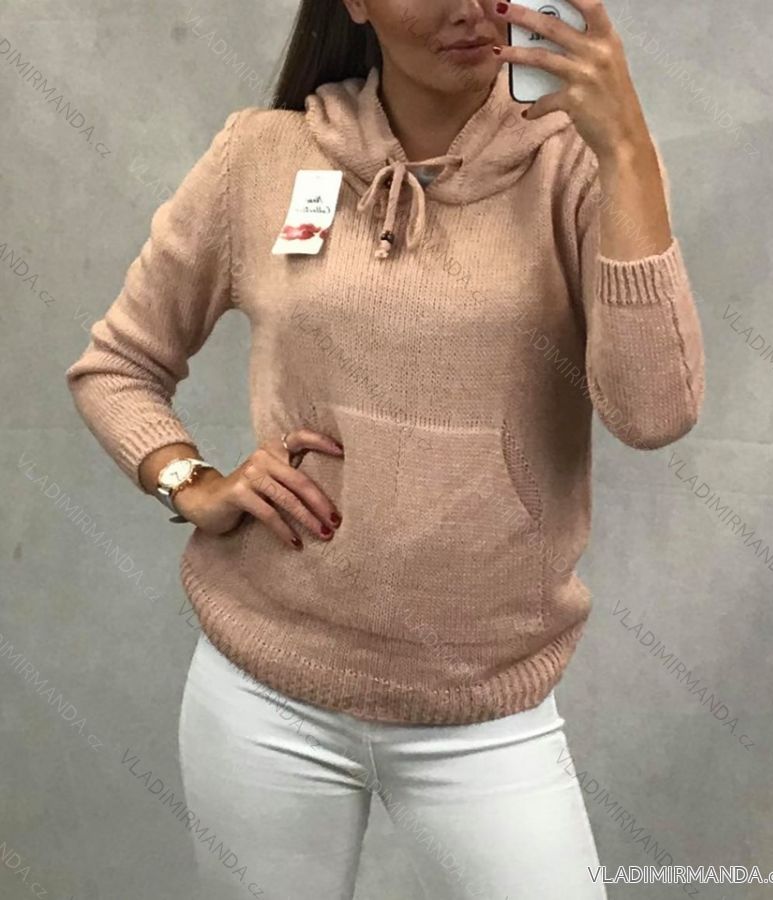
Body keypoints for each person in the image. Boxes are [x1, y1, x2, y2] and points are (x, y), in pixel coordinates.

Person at [64, 0, 705, 897]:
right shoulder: (262, 155)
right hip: (264, 695)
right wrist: (188, 479)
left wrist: (628, 150)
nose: (471, 6)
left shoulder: (581, 166)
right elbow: (118, 365)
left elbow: (654, 413)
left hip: (483, 709)